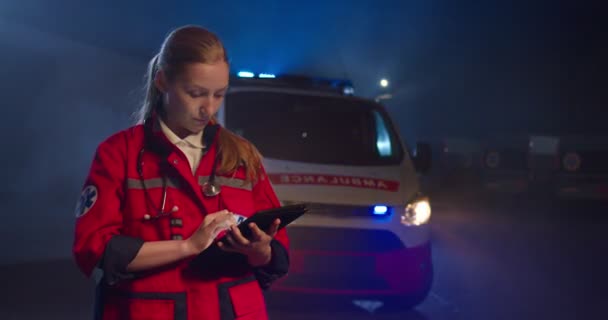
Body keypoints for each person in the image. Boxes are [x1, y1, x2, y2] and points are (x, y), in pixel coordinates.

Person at [72, 25, 289, 320]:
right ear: (162, 81)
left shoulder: (242, 154)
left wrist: (260, 251)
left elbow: (277, 251)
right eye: (196, 94)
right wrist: (188, 246)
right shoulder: (118, 154)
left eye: (219, 94)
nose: (208, 108)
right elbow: (95, 249)